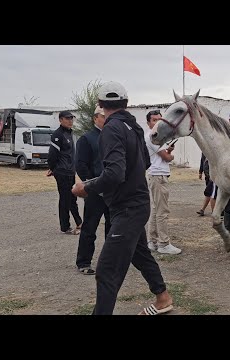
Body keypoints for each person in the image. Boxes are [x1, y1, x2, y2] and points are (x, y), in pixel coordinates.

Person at [72, 81, 173, 315]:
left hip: (127, 208)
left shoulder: (111, 129)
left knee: (107, 270)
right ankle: (163, 297)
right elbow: (145, 163)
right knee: (139, 253)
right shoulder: (134, 127)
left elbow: (114, 173)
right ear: (126, 103)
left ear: (99, 104)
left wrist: (87, 187)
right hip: (136, 204)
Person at [74, 105, 111, 275]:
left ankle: (111, 261)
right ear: (95, 118)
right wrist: (91, 185)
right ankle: (84, 262)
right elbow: (81, 165)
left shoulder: (112, 137)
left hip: (112, 191)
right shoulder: (87, 138)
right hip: (95, 191)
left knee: (112, 228)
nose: (106, 119)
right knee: (90, 227)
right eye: (103, 116)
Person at [144, 110, 182, 255]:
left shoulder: (156, 137)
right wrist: (169, 155)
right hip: (158, 174)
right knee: (162, 211)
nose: (157, 122)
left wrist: (169, 151)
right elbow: (166, 157)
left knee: (156, 209)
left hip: (157, 174)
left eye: (160, 119)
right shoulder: (151, 137)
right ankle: (163, 243)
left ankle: (152, 241)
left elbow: (165, 154)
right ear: (148, 123)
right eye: (154, 120)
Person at [47, 110, 82, 235]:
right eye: (67, 118)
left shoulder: (69, 133)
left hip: (70, 171)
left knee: (72, 197)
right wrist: (53, 168)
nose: (70, 121)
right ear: (61, 120)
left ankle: (79, 222)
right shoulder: (58, 135)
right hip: (62, 172)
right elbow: (52, 155)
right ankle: (65, 226)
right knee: (65, 199)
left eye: (71, 118)